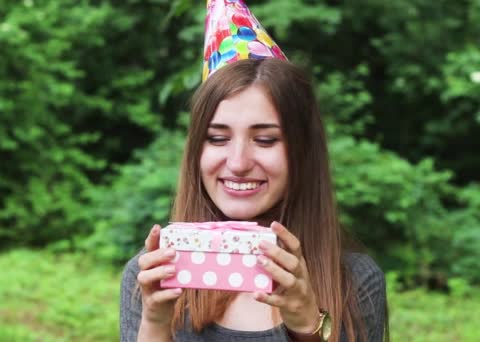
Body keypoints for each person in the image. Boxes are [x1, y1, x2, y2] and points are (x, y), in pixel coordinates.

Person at [120, 2, 387, 341]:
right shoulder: (151, 275)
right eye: (217, 138)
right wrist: (155, 324)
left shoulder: (354, 281)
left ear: (302, 152)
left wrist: (309, 326)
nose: (238, 162)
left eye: (265, 139)